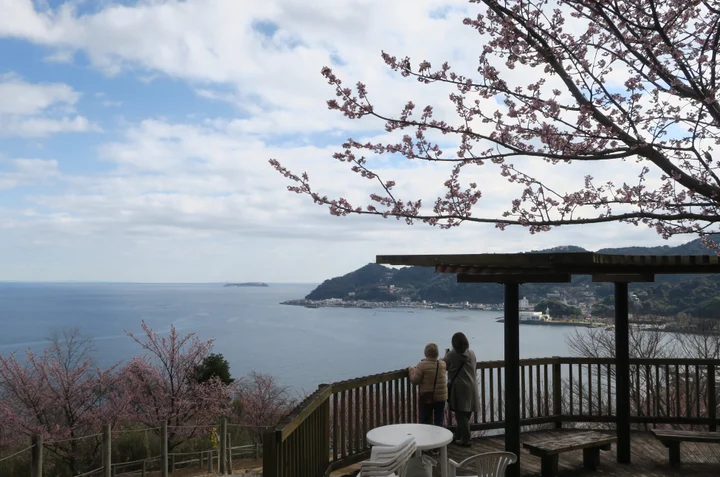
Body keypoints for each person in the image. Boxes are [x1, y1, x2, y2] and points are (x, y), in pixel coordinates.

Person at [443, 332, 479, 447]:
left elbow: (443, 365)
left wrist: (445, 355)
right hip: (472, 385)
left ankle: (466, 439)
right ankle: (459, 436)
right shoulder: (471, 354)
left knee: (460, 413)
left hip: (459, 387)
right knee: (466, 413)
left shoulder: (452, 354)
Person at [408, 342, 448, 427]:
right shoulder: (442, 364)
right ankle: (439, 435)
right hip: (441, 397)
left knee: (425, 422)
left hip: (427, 397)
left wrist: (411, 370)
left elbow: (414, 381)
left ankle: (426, 435)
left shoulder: (422, 365)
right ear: (437, 353)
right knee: (439, 421)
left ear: (426, 353)